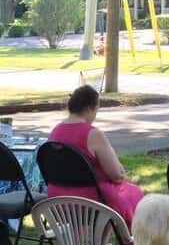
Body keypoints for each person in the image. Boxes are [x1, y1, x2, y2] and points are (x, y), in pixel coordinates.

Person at [46, 84, 144, 227]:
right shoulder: (92, 134)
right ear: (89, 109)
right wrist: (121, 173)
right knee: (133, 192)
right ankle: (127, 243)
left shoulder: (55, 131)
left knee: (113, 192)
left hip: (56, 198)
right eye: (96, 111)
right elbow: (116, 175)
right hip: (89, 201)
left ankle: (97, 244)